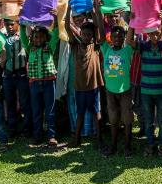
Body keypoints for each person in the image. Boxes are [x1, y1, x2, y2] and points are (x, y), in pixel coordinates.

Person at [128, 20, 162, 157]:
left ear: (161, 33)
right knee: (148, 120)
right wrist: (132, 22)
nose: (155, 37)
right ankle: (150, 144)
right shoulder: (143, 47)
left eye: (157, 34)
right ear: (148, 35)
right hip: (146, 91)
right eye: (151, 34)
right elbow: (129, 40)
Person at [20, 11, 60, 147]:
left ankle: (52, 136)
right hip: (34, 84)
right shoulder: (30, 48)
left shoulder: (49, 47)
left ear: (45, 38)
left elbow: (55, 34)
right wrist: (21, 22)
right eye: (36, 37)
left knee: (50, 110)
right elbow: (23, 38)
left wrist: (55, 18)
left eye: (41, 37)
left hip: (49, 83)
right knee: (36, 111)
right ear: (32, 38)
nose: (38, 39)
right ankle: (37, 135)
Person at [67, 15, 104, 149]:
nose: (87, 37)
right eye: (84, 34)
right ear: (80, 34)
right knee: (80, 114)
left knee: (96, 113)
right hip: (79, 88)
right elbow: (66, 27)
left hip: (93, 88)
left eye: (89, 34)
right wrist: (68, 10)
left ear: (93, 36)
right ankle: (77, 139)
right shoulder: (75, 46)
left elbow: (99, 29)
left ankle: (99, 139)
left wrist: (95, 12)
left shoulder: (96, 47)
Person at [100, 25, 134, 156]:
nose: (117, 38)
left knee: (127, 120)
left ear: (124, 38)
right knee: (113, 119)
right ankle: (113, 146)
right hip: (110, 91)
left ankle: (127, 146)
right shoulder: (106, 49)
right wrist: (97, 11)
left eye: (120, 36)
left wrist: (132, 16)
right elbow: (102, 35)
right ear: (111, 38)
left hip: (125, 90)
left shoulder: (127, 50)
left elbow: (131, 34)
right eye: (114, 36)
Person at [3, 19, 31, 138]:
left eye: (12, 24)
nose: (9, 27)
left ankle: (27, 129)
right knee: (10, 102)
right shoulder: (2, 36)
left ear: (18, 24)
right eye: (7, 24)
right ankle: (12, 128)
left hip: (21, 73)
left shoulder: (23, 35)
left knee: (25, 102)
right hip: (8, 74)